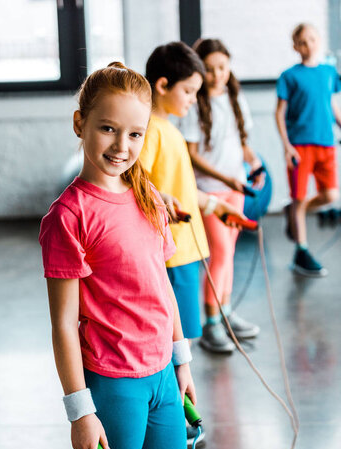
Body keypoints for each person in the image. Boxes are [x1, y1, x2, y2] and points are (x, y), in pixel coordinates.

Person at [39, 62, 197, 449]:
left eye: (134, 133)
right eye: (108, 128)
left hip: (162, 381)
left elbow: (163, 287)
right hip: (113, 386)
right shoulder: (69, 215)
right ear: (80, 122)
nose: (121, 145)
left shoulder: (148, 197)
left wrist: (183, 360)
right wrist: (80, 411)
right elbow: (63, 322)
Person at [140, 40, 246, 360]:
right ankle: (176, 407)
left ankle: (179, 400)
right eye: (188, 91)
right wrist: (159, 200)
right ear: (162, 85)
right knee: (176, 344)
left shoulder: (169, 130)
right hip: (171, 254)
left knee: (183, 342)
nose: (193, 99)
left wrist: (215, 206)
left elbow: (182, 189)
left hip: (186, 249)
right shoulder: (150, 131)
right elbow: (135, 184)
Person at [178, 38, 261, 353]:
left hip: (236, 188)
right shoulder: (194, 105)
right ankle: (211, 322)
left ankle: (226, 313)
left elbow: (242, 145)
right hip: (210, 193)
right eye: (209, 69)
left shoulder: (235, 98)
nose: (216, 75)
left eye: (222, 67)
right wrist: (224, 177)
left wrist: (254, 165)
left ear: (229, 66)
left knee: (230, 254)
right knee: (221, 253)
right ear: (200, 71)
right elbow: (192, 154)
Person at [275, 23, 341, 277]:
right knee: (300, 197)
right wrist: (287, 146)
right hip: (300, 146)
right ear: (295, 46)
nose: (308, 45)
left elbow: (331, 106)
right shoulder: (289, 76)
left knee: (329, 196)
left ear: (319, 40)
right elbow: (279, 113)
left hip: (326, 143)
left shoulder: (328, 72)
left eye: (312, 39)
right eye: (302, 41)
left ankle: (293, 212)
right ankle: (301, 250)